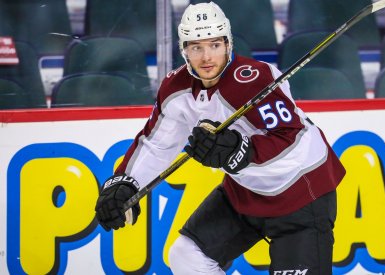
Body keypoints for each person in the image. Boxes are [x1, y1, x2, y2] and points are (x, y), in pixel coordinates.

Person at [95, 2, 346, 274]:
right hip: (246, 193)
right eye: (196, 47)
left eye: (214, 45)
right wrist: (125, 184)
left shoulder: (255, 79)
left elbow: (291, 137)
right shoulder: (175, 89)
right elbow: (155, 144)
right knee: (187, 256)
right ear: (184, 50)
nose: (206, 57)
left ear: (228, 44)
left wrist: (242, 151)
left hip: (301, 191)